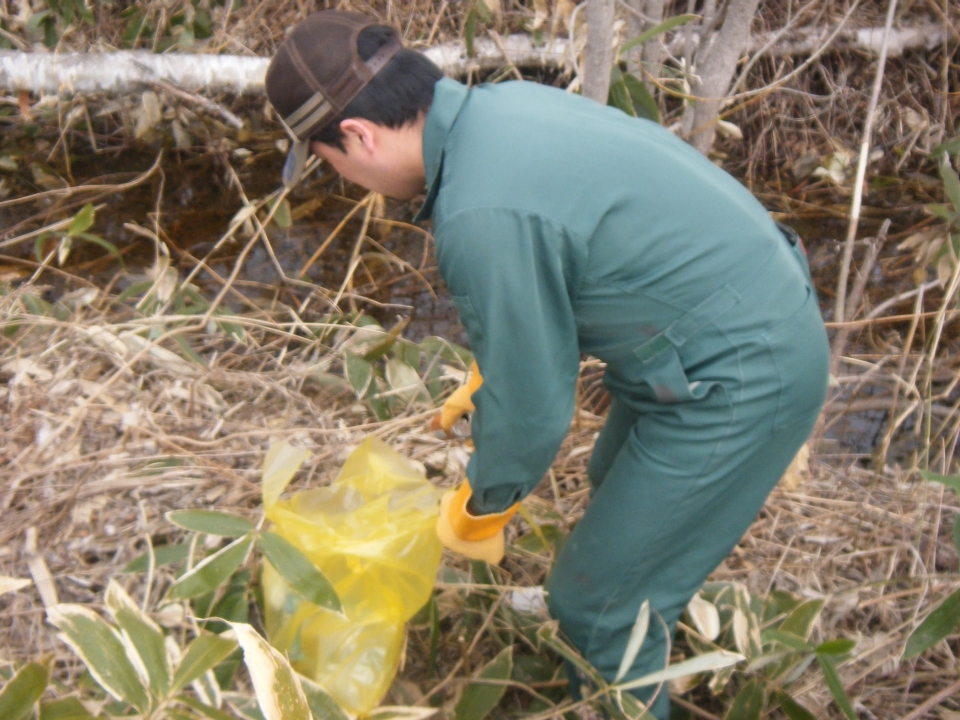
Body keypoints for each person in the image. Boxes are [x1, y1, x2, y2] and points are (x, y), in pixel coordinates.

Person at [265, 11, 829, 718]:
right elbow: (565, 266)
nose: (345, 180)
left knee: (595, 606)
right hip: (718, 327)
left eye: (329, 165)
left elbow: (534, 414)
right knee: (610, 480)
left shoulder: (478, 210)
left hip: (745, 371)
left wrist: (480, 505)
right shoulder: (501, 110)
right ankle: (638, 604)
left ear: (358, 136)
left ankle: (621, 635)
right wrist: (491, 372)